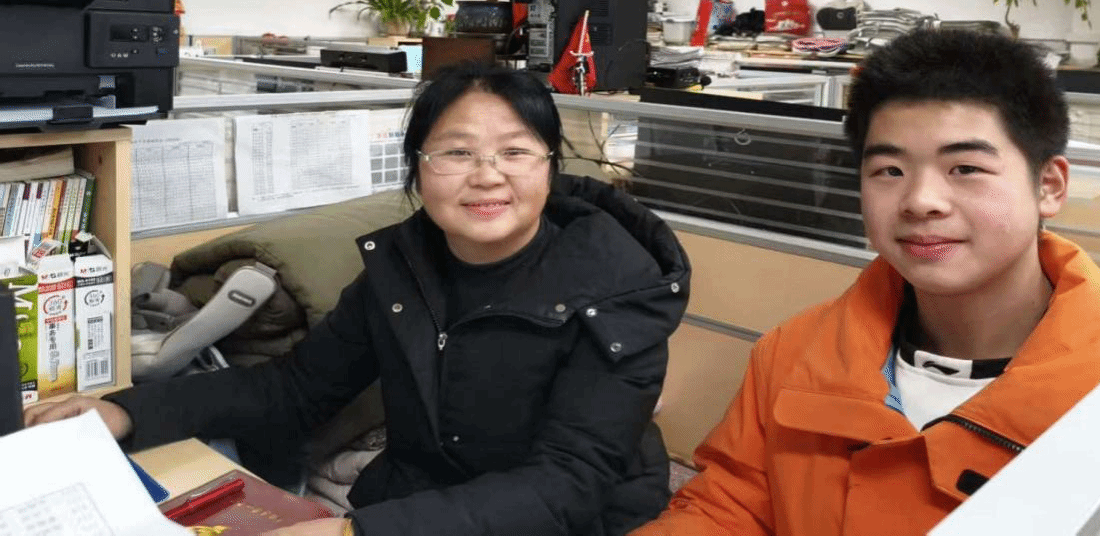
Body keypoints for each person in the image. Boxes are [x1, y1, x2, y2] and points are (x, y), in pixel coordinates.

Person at [632, 28, 1100, 535]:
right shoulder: (795, 355)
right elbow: (729, 510)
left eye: (965, 168)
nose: (920, 201)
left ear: (1049, 186)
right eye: (888, 171)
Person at [26, 62, 691, 536]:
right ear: (419, 168)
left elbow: (567, 486)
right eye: (457, 153)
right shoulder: (404, 269)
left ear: (549, 167)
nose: (488, 175)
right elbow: (294, 389)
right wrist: (124, 412)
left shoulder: (618, 287)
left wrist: (357, 533)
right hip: (426, 501)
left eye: (516, 152)